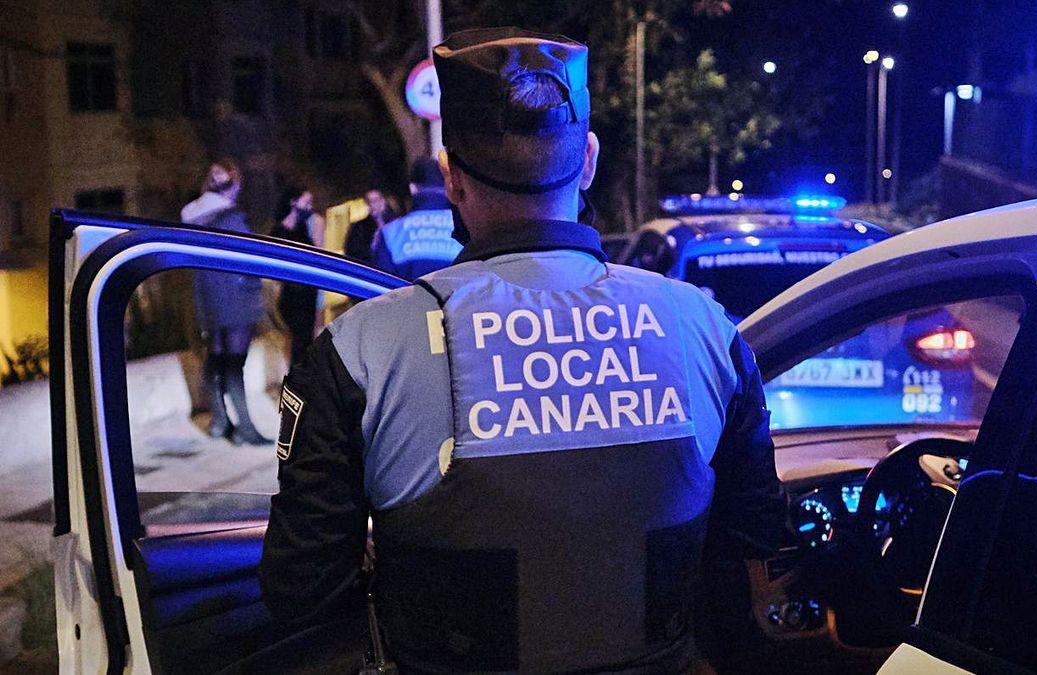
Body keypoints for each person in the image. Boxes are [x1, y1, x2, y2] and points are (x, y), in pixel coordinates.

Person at [260, 28, 785, 672]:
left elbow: (302, 590)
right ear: (587, 160)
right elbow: (753, 539)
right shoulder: (705, 327)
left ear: (451, 180)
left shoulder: (357, 349)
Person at [181, 160, 272, 446]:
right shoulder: (231, 217)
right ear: (235, 185)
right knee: (234, 364)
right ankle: (246, 428)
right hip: (236, 297)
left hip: (207, 296)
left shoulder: (192, 215)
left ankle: (221, 422)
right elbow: (247, 261)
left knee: (216, 359)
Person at [372, 158, 462, 278]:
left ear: (412, 188)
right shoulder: (464, 225)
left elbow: (379, 283)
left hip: (409, 296)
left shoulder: (392, 231)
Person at [270, 187, 325, 365]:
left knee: (306, 342)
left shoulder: (303, 228)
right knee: (300, 345)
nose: (309, 207)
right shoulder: (279, 233)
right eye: (306, 202)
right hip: (294, 297)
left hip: (307, 295)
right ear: (293, 202)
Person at [344, 188, 394, 264]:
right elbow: (352, 252)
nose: (372, 204)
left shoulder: (395, 223)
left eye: (376, 200)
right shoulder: (359, 227)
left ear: (383, 201)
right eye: (369, 201)